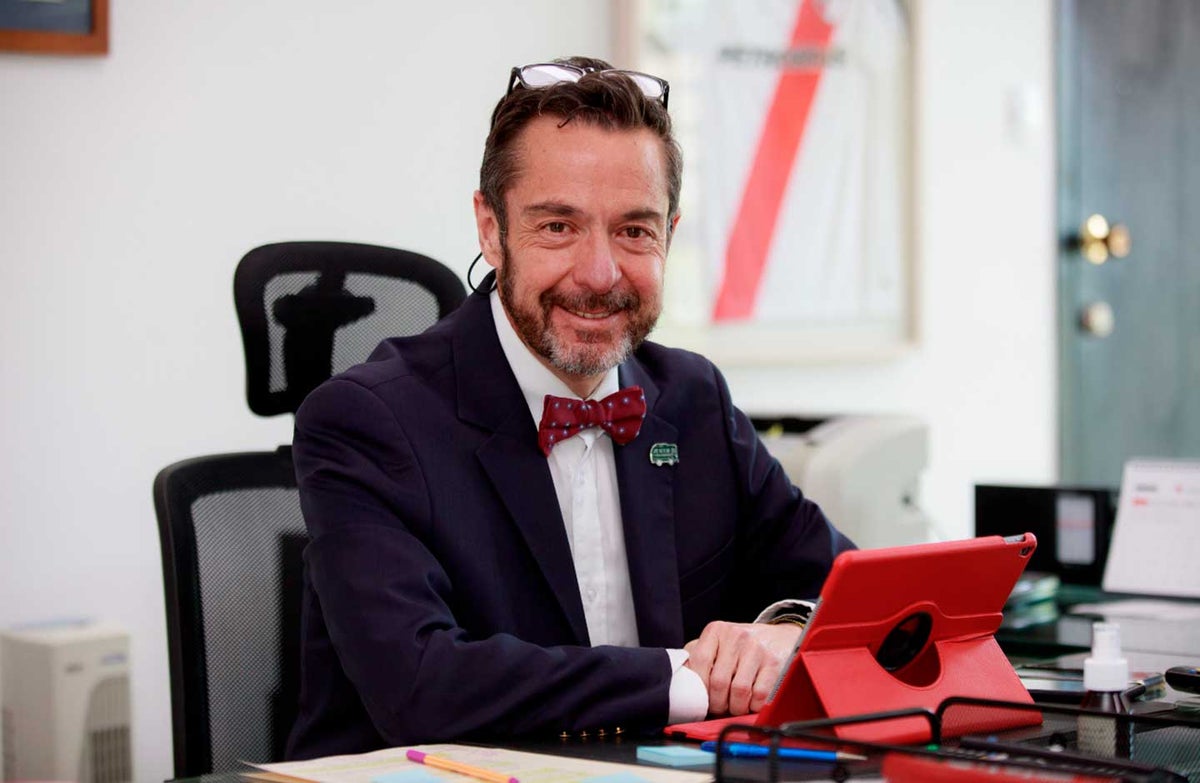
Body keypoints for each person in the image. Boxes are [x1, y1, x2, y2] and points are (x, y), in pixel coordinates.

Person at [286, 56, 854, 760]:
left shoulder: (693, 399)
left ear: (670, 233)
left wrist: (790, 629)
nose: (599, 274)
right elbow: (421, 687)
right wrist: (689, 678)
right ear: (490, 229)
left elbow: (857, 597)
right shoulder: (367, 421)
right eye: (558, 226)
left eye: (634, 230)